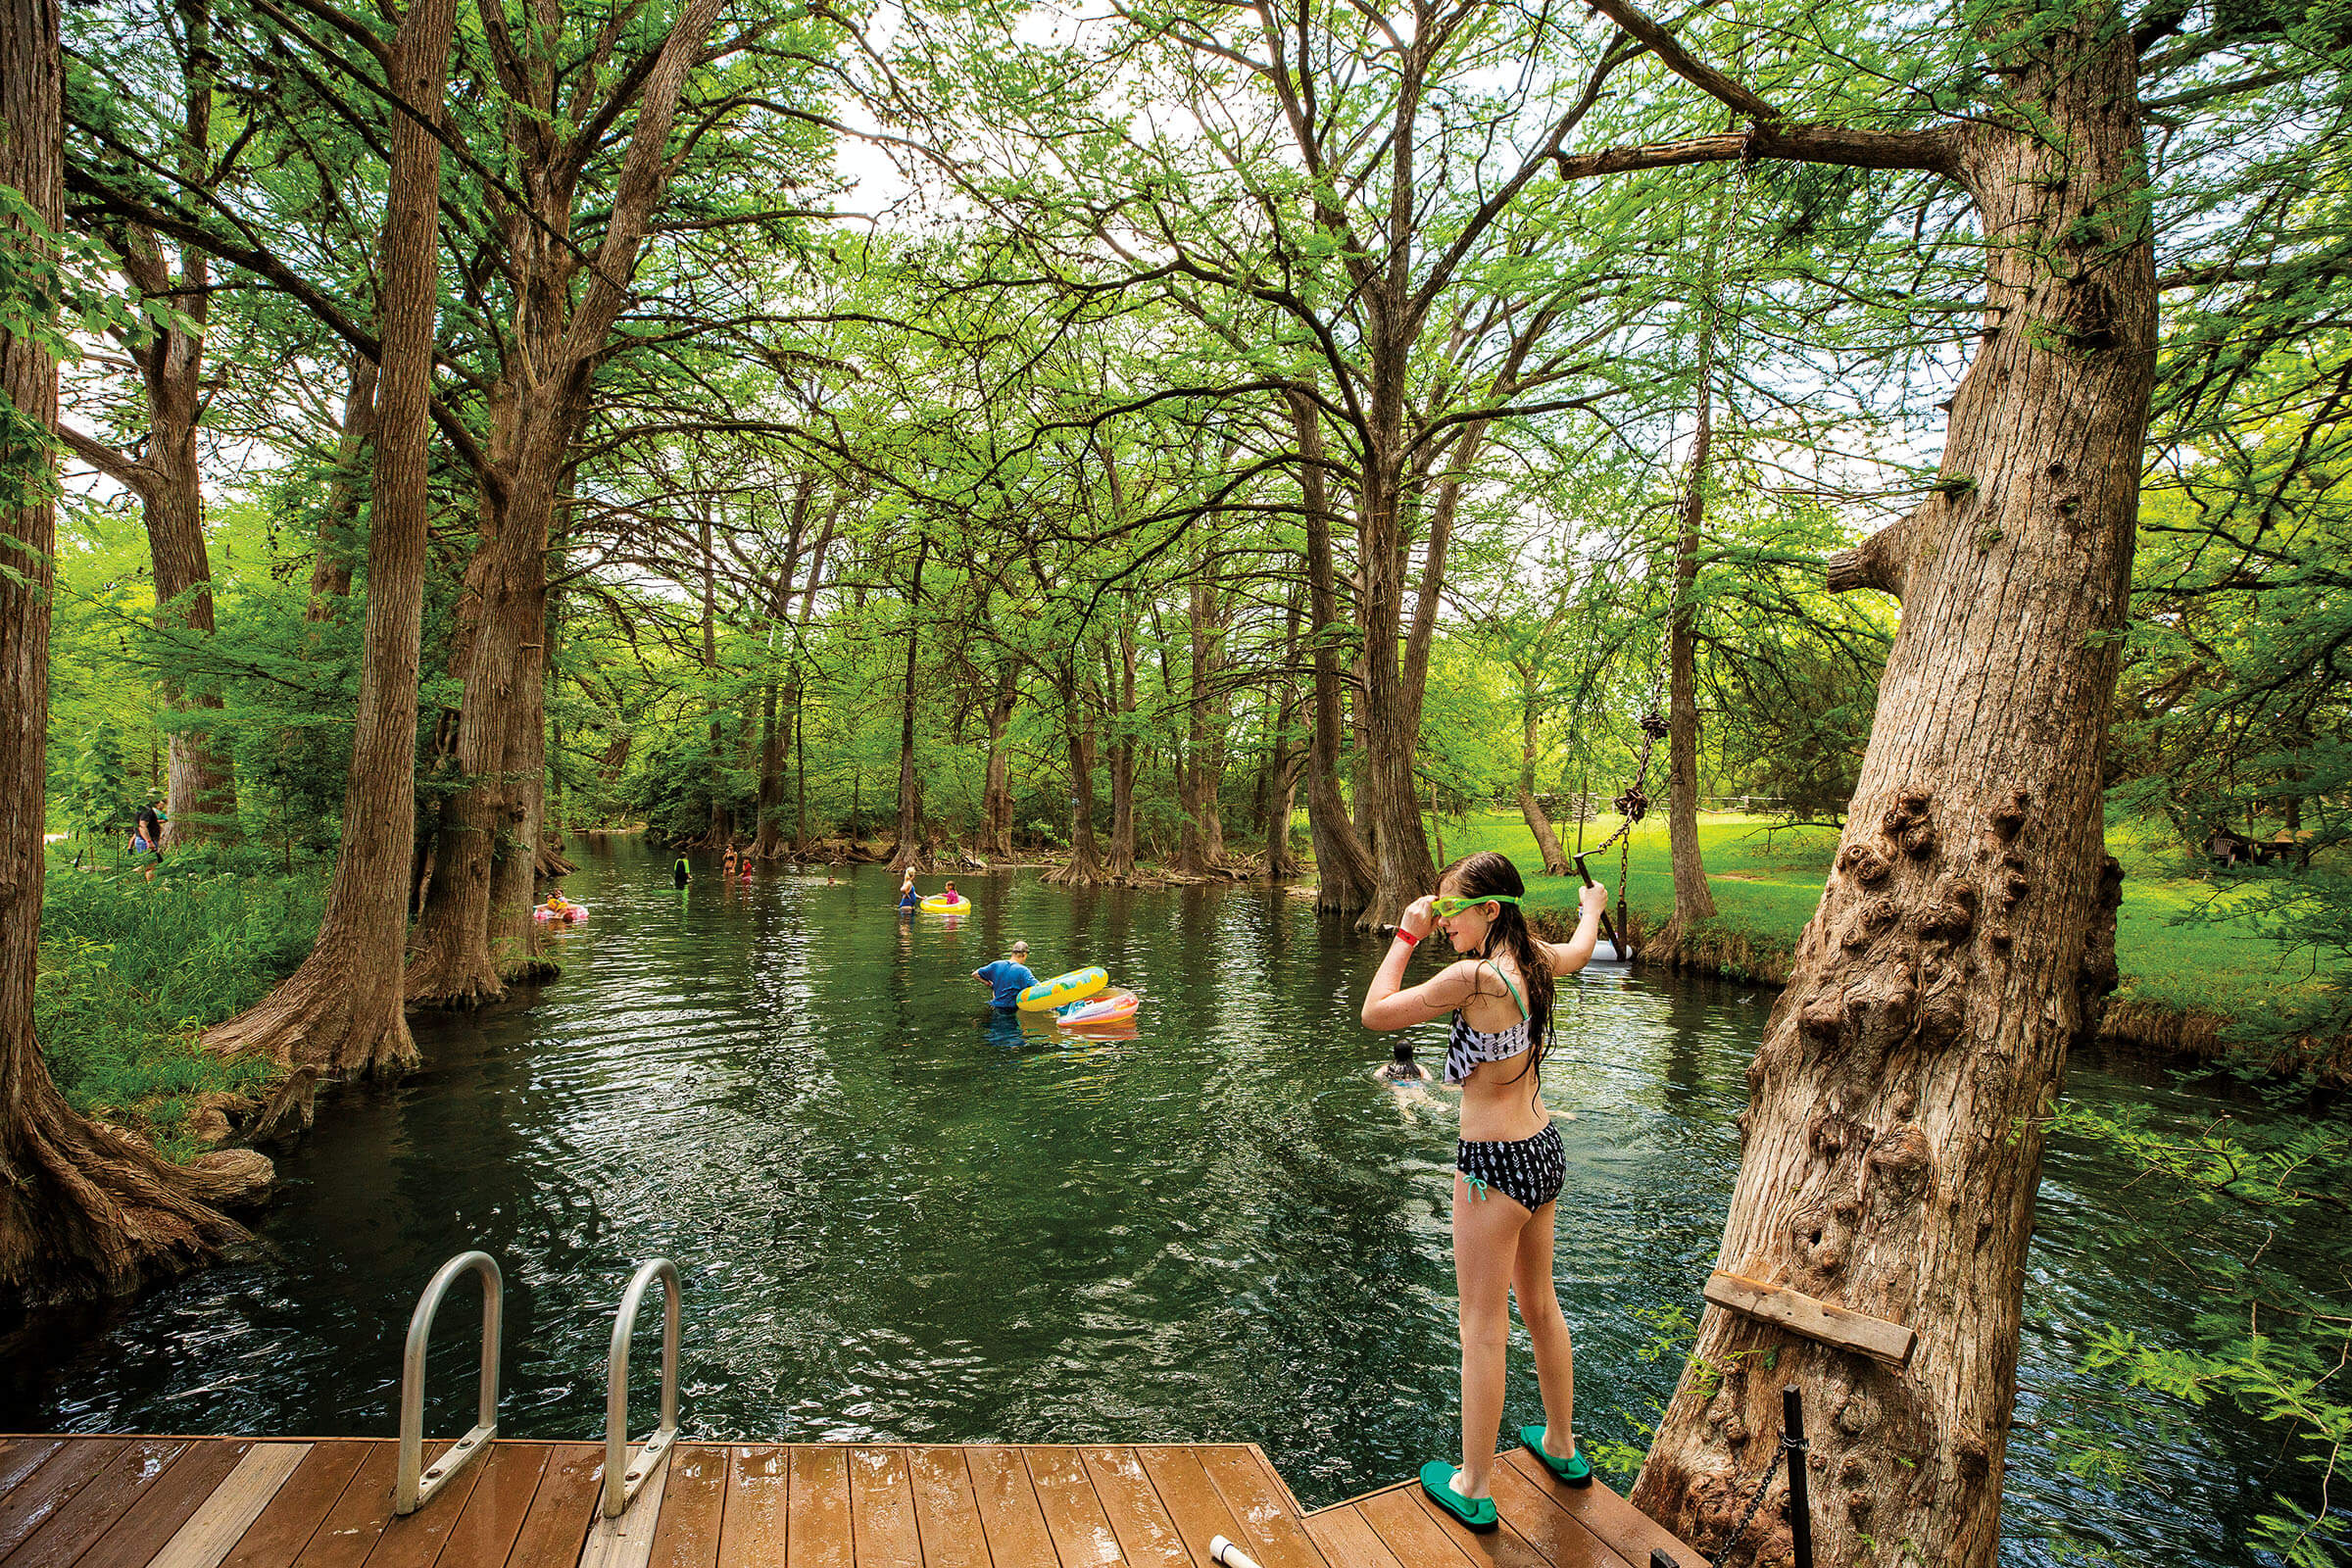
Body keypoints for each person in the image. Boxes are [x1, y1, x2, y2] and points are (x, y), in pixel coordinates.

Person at [1358, 851, 1609, 1533]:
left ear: (1489, 910)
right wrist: (1592, 910)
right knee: (1541, 1304)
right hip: (1543, 1151)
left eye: (1450, 909)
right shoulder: (1533, 959)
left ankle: (1473, 1483)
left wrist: (1404, 935)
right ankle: (1561, 1443)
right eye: (1435, 912)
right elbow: (1584, 950)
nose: (1443, 921)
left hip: (1491, 1167)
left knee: (1481, 1328)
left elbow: (1375, 1013)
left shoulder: (1471, 977)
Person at [972, 940, 1038, 1009]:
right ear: (1024, 954)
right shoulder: (1023, 971)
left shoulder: (996, 965)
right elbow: (1038, 987)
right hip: (1010, 1009)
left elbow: (975, 974)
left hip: (995, 1005)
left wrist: (990, 984)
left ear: (1012, 953)